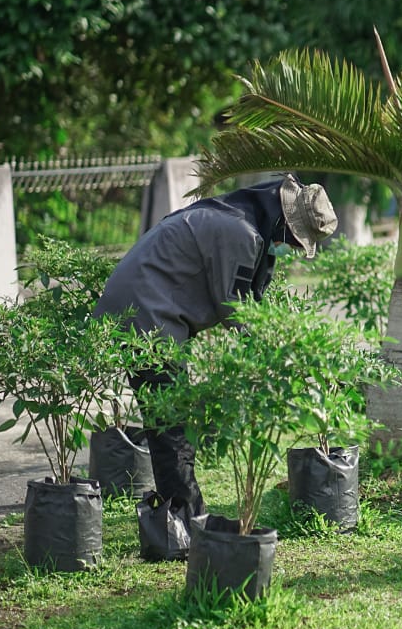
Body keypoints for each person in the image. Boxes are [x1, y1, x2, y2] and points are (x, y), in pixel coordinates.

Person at [94, 174, 338, 516]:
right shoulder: (240, 233)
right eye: (295, 241)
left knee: (169, 420)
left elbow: (247, 301)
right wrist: (277, 356)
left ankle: (179, 517)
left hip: (152, 311)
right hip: (145, 318)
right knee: (170, 424)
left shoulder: (241, 220)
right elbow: (236, 308)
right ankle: (185, 519)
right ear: (283, 224)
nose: (293, 250)